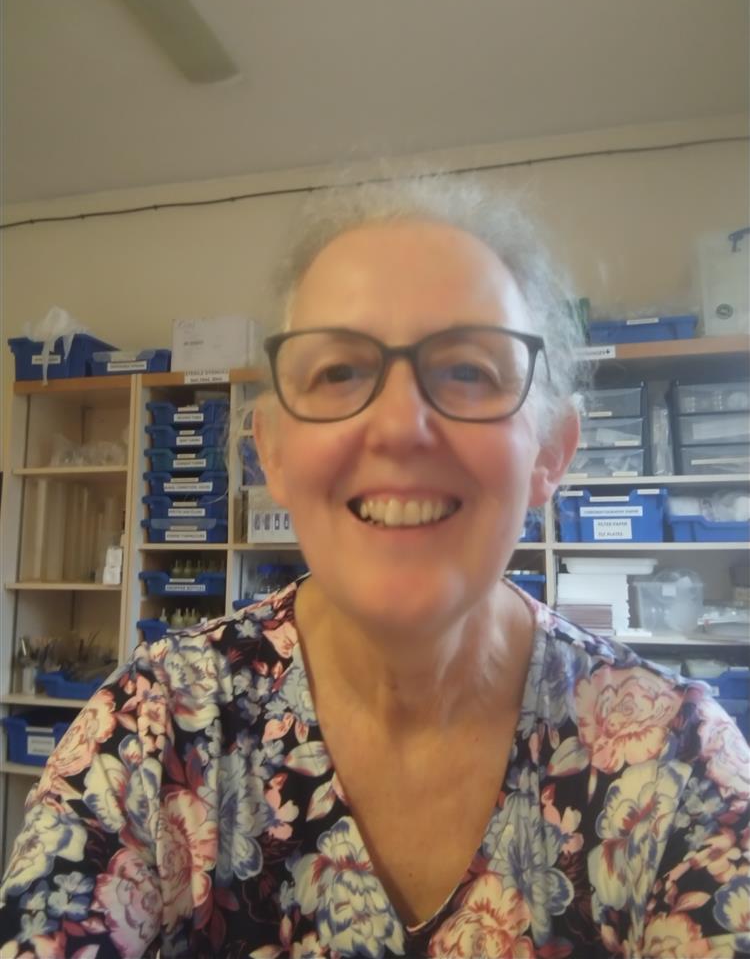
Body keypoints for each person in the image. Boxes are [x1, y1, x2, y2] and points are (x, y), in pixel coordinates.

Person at [1, 174, 748, 959]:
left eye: (468, 370)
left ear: (550, 453)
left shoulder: (683, 766)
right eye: (339, 372)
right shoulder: (151, 732)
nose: (399, 426)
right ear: (272, 452)